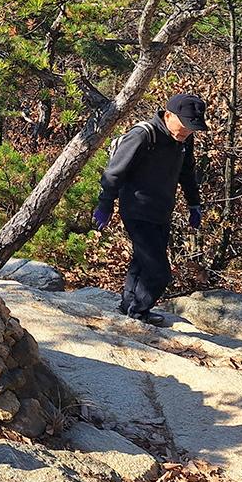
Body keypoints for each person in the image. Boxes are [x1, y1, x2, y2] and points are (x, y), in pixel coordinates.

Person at [93, 93, 207, 326]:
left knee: (142, 261)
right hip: (136, 208)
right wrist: (105, 203)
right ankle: (138, 313)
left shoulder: (184, 140)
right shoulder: (143, 135)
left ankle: (129, 305)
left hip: (162, 209)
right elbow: (114, 172)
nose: (187, 132)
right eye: (184, 125)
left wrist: (194, 203)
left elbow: (187, 173)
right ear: (168, 115)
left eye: (192, 128)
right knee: (158, 271)